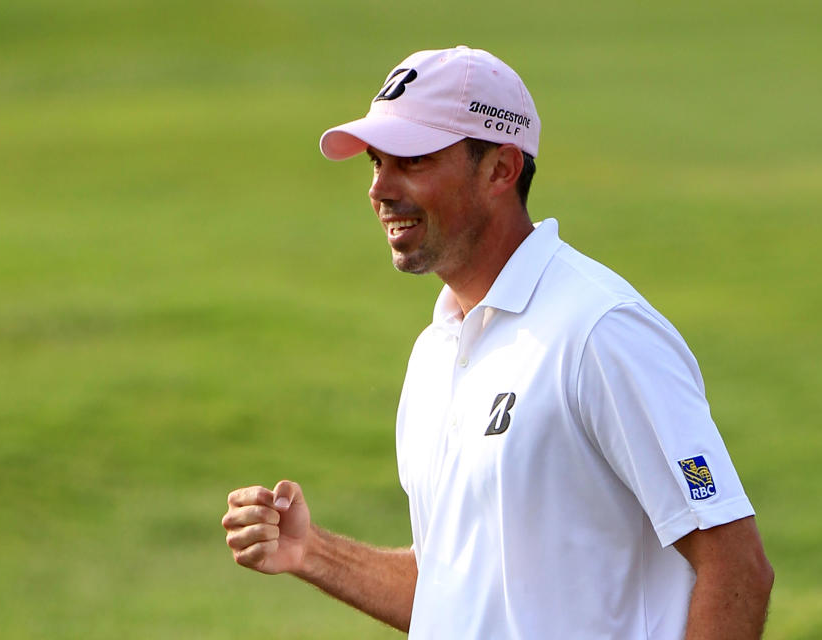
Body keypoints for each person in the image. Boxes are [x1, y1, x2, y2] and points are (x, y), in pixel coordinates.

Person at [222, 46, 774, 639]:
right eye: (376, 162)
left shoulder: (599, 331)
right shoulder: (438, 351)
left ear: (501, 170)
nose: (380, 188)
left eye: (411, 160)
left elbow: (735, 566)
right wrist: (314, 552)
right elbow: (458, 591)